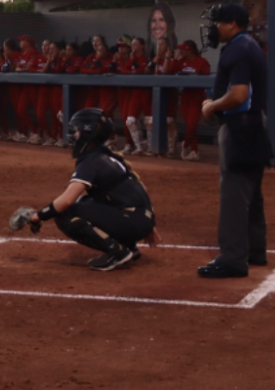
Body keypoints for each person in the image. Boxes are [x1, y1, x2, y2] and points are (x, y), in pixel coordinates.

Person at [23, 108, 160, 271]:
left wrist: (38, 216)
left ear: (88, 133)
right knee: (86, 201)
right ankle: (129, 247)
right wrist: (148, 223)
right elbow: (138, 187)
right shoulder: (107, 155)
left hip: (132, 220)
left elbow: (67, 200)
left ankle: (118, 252)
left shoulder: (91, 161)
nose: (73, 135)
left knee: (65, 214)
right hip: (139, 218)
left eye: (77, 131)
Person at [198, 3, 269, 279]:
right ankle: (254, 250)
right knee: (252, 192)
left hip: (240, 127)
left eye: (218, 22)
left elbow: (238, 96)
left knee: (234, 195)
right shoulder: (250, 45)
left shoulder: (239, 49)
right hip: (253, 126)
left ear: (231, 24)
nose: (214, 28)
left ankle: (233, 259)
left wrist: (212, 106)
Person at [176, 40, 211, 161]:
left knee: (191, 125)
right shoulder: (181, 61)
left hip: (197, 97)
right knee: (190, 126)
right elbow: (169, 71)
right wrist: (174, 59)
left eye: (183, 49)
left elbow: (205, 79)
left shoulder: (202, 62)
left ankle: (185, 145)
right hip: (185, 95)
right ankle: (194, 151)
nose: (180, 51)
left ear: (189, 50)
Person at [152, 36, 180, 157]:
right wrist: (155, 62)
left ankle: (172, 149)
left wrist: (167, 58)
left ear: (168, 47)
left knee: (170, 121)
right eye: (158, 44)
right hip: (158, 93)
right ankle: (158, 147)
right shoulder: (157, 59)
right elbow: (155, 75)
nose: (159, 46)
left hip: (170, 93)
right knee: (157, 120)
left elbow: (164, 73)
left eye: (162, 44)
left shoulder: (174, 58)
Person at [125, 37, 153, 156]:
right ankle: (139, 146)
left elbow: (142, 70)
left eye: (135, 44)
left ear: (142, 46)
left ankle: (151, 148)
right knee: (130, 121)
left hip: (147, 92)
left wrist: (134, 64)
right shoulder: (132, 58)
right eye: (132, 44)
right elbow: (125, 70)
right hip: (136, 92)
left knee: (149, 121)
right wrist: (132, 60)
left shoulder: (147, 57)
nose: (133, 46)